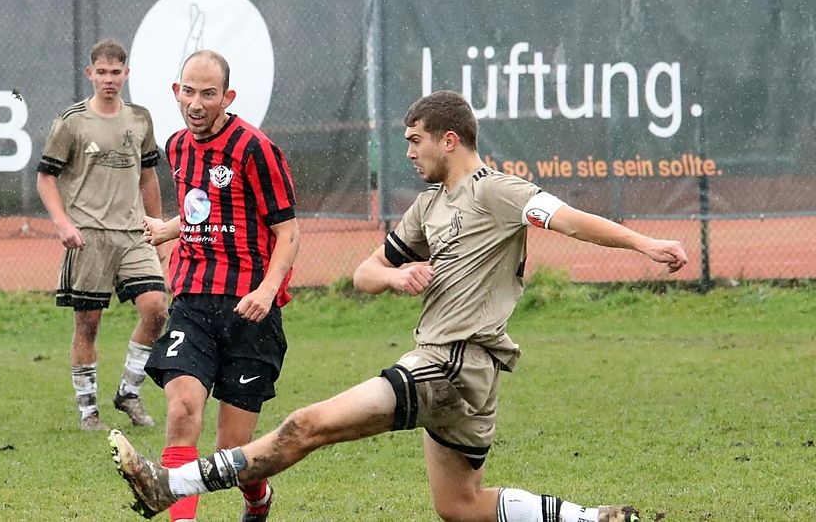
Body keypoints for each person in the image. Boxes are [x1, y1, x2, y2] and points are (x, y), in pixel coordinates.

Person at [109, 90, 687, 521]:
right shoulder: (429, 206)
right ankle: (592, 519)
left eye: (415, 140)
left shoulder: (496, 191)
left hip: (452, 362)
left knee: (308, 424)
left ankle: (171, 485)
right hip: (464, 373)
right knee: (459, 506)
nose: (408, 152)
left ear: (449, 139)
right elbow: (364, 273)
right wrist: (397, 275)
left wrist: (645, 243)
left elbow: (572, 221)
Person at [137, 49, 300, 522]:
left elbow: (287, 231)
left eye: (208, 93)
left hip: (251, 308)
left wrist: (268, 291)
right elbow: (206, 206)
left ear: (227, 97)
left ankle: (258, 497)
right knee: (181, 412)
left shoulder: (255, 148)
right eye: (188, 91)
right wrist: (170, 228)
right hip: (191, 302)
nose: (196, 102)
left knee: (234, 451)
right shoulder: (176, 146)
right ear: (176, 92)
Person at [37, 39, 169, 432]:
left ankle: (129, 391)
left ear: (126, 74)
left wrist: (159, 226)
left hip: (133, 233)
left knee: (156, 308)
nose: (109, 79)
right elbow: (46, 178)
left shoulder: (140, 119)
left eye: (116, 72)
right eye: (102, 72)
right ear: (90, 73)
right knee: (88, 324)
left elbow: (148, 176)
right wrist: (63, 223)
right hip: (89, 237)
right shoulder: (72, 121)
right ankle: (87, 410)